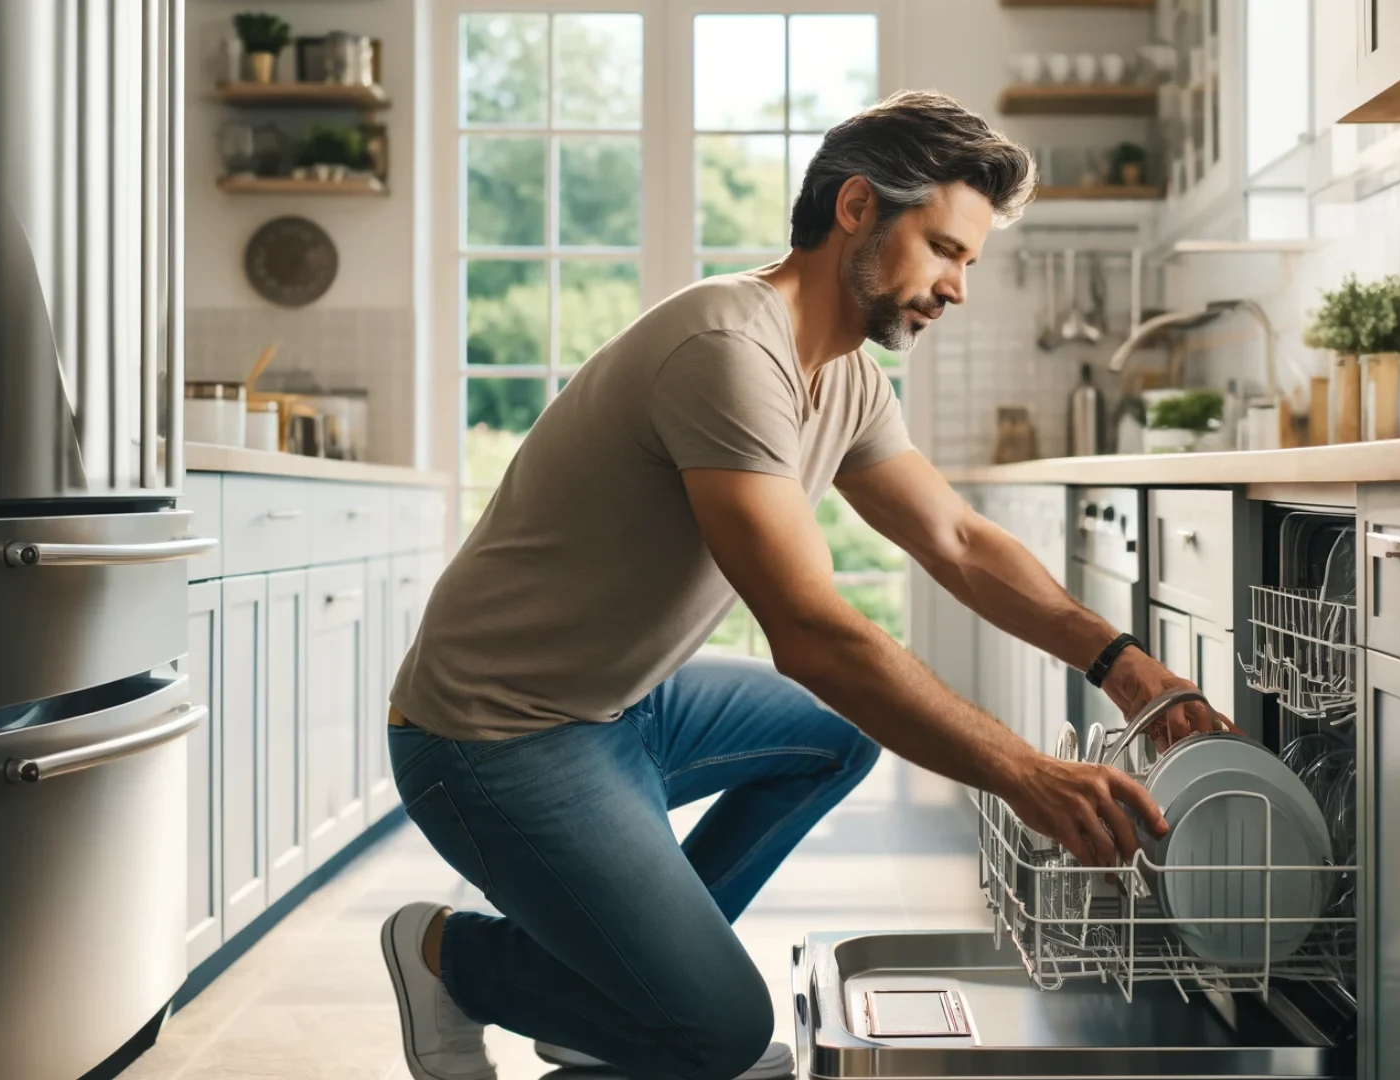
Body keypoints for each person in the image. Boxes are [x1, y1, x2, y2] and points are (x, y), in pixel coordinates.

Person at [378, 90, 1222, 1080]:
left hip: (622, 708)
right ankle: (453, 961)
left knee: (833, 737)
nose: (958, 287)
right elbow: (813, 636)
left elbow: (955, 540)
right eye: (946, 249)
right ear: (857, 208)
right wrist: (1025, 775)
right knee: (721, 1037)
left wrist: (1122, 665)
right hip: (490, 738)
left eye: (969, 262)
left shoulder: (848, 376)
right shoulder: (727, 351)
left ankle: (604, 999)